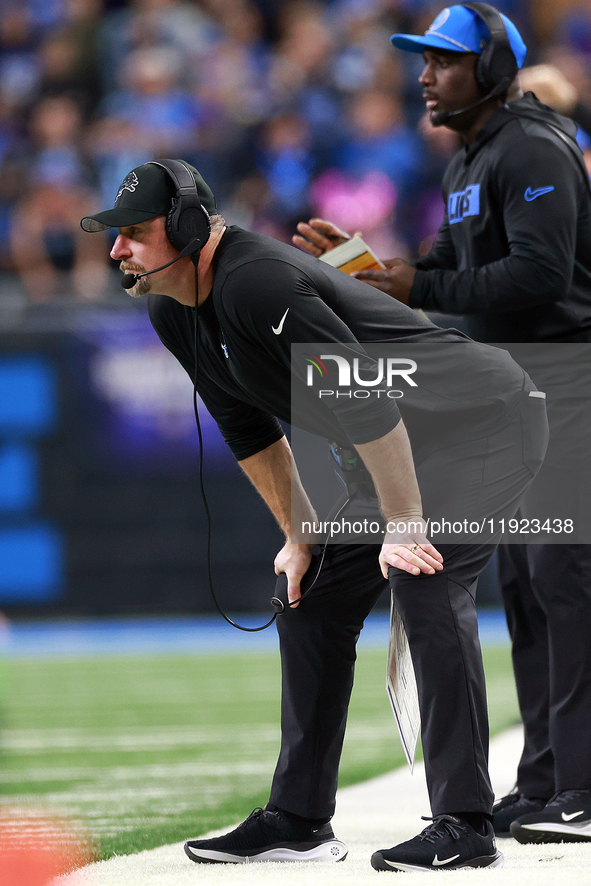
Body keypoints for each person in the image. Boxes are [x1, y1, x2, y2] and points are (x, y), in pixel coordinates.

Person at [80, 157, 548, 871]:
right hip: (403, 444)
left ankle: (464, 824)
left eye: (133, 233)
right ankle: (296, 820)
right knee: (306, 596)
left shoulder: (255, 281)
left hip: (482, 422)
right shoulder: (172, 310)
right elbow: (250, 431)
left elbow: (368, 399)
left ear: (184, 227)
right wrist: (302, 537)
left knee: (423, 576)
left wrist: (403, 522)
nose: (117, 250)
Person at [294, 3, 591, 845]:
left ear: (491, 67)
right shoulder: (472, 159)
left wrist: (414, 289)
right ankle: (546, 782)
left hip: (567, 374)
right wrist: (365, 272)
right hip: (519, 387)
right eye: (422, 61)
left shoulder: (531, 147)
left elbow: (537, 276)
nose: (425, 76)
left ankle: (584, 784)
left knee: (566, 585)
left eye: (445, 62)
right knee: (530, 592)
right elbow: (450, 272)